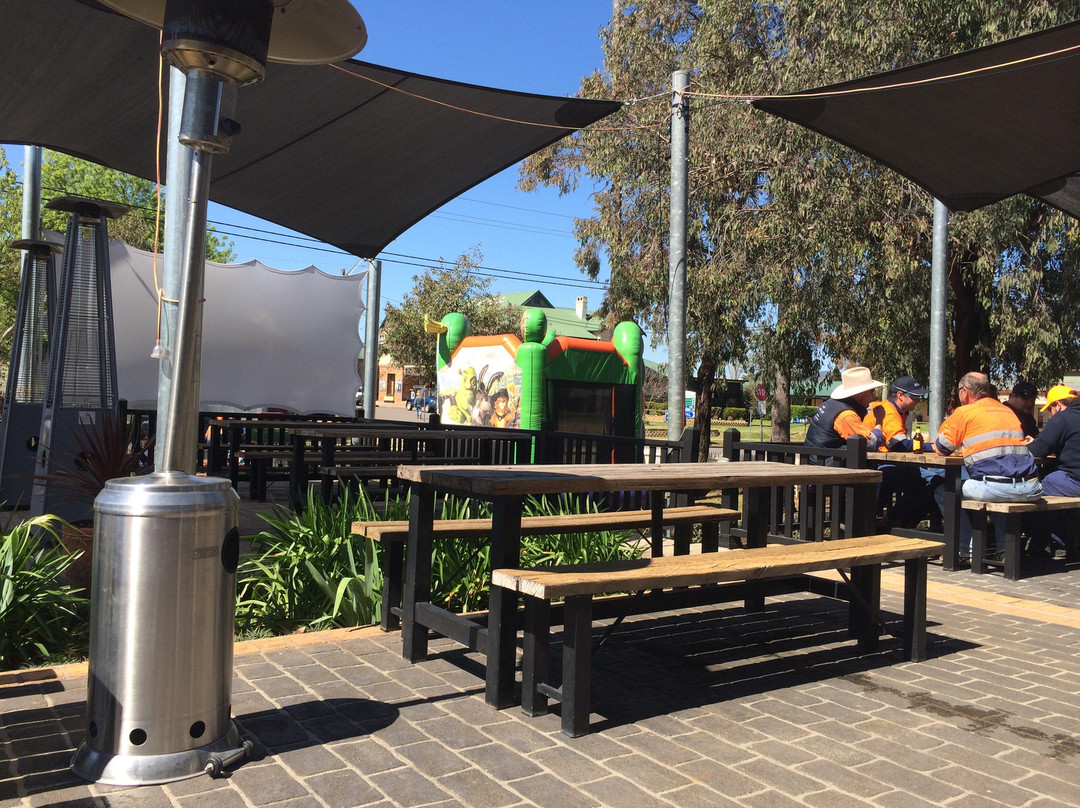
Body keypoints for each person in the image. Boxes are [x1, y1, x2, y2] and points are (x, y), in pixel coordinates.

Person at [932, 371, 1042, 561]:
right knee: (998, 486)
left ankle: (964, 551)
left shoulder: (964, 412)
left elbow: (942, 448)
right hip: (1032, 487)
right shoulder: (1006, 411)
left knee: (944, 490)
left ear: (965, 392)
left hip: (997, 487)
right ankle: (1004, 550)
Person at [863, 376, 936, 527]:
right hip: (877, 464)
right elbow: (900, 444)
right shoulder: (890, 413)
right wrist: (933, 447)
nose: (918, 400)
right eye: (914, 397)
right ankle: (892, 522)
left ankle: (897, 522)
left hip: (886, 461)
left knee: (933, 483)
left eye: (920, 397)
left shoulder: (900, 411)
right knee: (926, 486)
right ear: (900, 395)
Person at [1024, 384, 1080, 557]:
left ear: (1059, 405)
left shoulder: (1063, 417)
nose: (1050, 414)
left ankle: (1045, 540)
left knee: (1037, 487)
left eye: (1050, 409)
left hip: (1075, 481)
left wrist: (1028, 444)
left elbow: (1039, 450)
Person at [805, 366, 886, 464]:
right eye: (871, 390)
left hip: (818, 460)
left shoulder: (832, 404)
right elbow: (870, 444)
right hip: (826, 465)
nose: (873, 394)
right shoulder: (846, 415)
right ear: (860, 393)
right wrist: (879, 421)